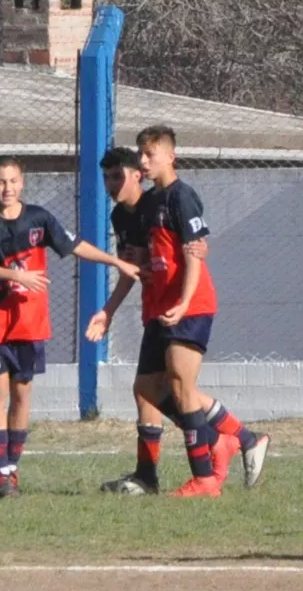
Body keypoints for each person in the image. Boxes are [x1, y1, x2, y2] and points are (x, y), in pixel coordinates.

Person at [88, 134, 270, 498]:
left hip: (188, 306)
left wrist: (185, 301)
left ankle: (206, 475)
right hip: (159, 309)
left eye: (146, 155)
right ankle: (226, 438)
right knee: (147, 388)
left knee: (180, 386)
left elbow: (193, 252)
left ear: (169, 157)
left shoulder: (179, 196)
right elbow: (136, 265)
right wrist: (107, 311)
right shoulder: (140, 208)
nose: (141, 162)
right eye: (138, 155)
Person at [0, 155, 139, 498]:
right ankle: (0, 472)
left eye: (13, 181)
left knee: (22, 394)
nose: (7, 188)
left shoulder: (39, 218)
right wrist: (15, 275)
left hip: (30, 323)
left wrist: (116, 261)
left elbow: (75, 246)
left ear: (22, 182)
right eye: (0, 182)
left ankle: (12, 468)